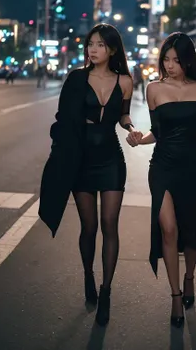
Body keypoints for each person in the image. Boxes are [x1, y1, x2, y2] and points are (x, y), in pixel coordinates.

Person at [38, 23, 142, 327]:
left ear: (111, 49)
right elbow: (63, 118)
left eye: (99, 45)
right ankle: (88, 275)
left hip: (111, 158)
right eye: (89, 44)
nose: (92, 49)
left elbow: (123, 115)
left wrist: (132, 129)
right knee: (89, 226)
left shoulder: (125, 81)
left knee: (110, 224)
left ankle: (106, 291)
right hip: (80, 158)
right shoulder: (76, 79)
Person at [127, 32, 196, 328]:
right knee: (168, 229)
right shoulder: (153, 89)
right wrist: (140, 141)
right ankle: (175, 295)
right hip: (162, 165)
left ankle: (190, 277)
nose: (169, 65)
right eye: (165, 59)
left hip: (193, 166)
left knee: (190, 230)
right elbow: (159, 132)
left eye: (175, 60)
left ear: (187, 60)